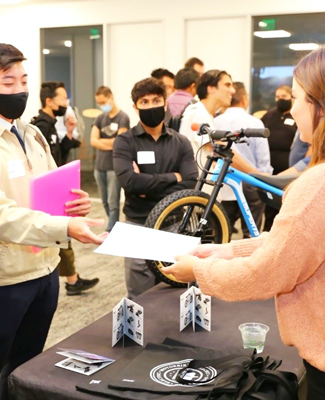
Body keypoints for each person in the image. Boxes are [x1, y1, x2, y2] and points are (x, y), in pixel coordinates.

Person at [163, 42, 325, 400]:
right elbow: (309, 243)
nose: (293, 108)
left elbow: (267, 273)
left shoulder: (324, 184)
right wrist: (223, 251)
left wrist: (198, 272)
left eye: (300, 98)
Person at [0, 43, 107, 400]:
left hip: (44, 268)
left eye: (23, 80)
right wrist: (64, 228)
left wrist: (72, 206)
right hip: (1, 278)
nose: (19, 90)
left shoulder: (31, 133)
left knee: (25, 370)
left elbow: (46, 190)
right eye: (7, 83)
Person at [113, 78, 197, 298]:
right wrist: (173, 177)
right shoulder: (124, 142)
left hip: (173, 225)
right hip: (138, 226)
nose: (151, 106)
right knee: (139, 297)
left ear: (165, 102)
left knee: (174, 293)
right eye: (144, 102)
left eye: (156, 100)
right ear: (135, 107)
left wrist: (146, 185)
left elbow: (190, 183)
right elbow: (130, 182)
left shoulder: (181, 142)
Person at [31, 81, 98, 296]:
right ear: (49, 101)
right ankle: (71, 280)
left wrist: (70, 132)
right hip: (47, 189)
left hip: (54, 185)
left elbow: (58, 152)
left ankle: (72, 279)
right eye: (63, 99)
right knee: (60, 233)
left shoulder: (50, 124)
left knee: (62, 234)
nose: (66, 103)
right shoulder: (40, 126)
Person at [179, 70, 259, 181]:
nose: (233, 90)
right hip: (197, 188)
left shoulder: (205, 114)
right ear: (210, 88)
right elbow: (222, 150)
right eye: (227, 85)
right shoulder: (198, 113)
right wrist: (257, 174)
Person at [215, 82, 272, 237]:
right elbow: (263, 160)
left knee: (221, 235)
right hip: (251, 184)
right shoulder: (254, 123)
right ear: (244, 99)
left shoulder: (215, 121)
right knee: (251, 236)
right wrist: (264, 181)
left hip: (223, 184)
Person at [91, 86, 130, 232]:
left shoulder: (123, 117)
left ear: (111, 97)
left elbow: (119, 142)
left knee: (113, 202)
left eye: (103, 102)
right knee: (104, 201)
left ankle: (111, 230)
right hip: (99, 166)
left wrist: (103, 142)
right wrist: (111, 143)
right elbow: (93, 141)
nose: (102, 106)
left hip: (114, 166)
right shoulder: (100, 118)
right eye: (99, 103)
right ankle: (115, 227)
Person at [260, 84, 297, 230]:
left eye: (284, 97)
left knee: (285, 208)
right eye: (277, 97)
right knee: (269, 209)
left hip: (288, 170)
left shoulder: (295, 116)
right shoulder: (268, 116)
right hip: (269, 170)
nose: (280, 100)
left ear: (291, 98)